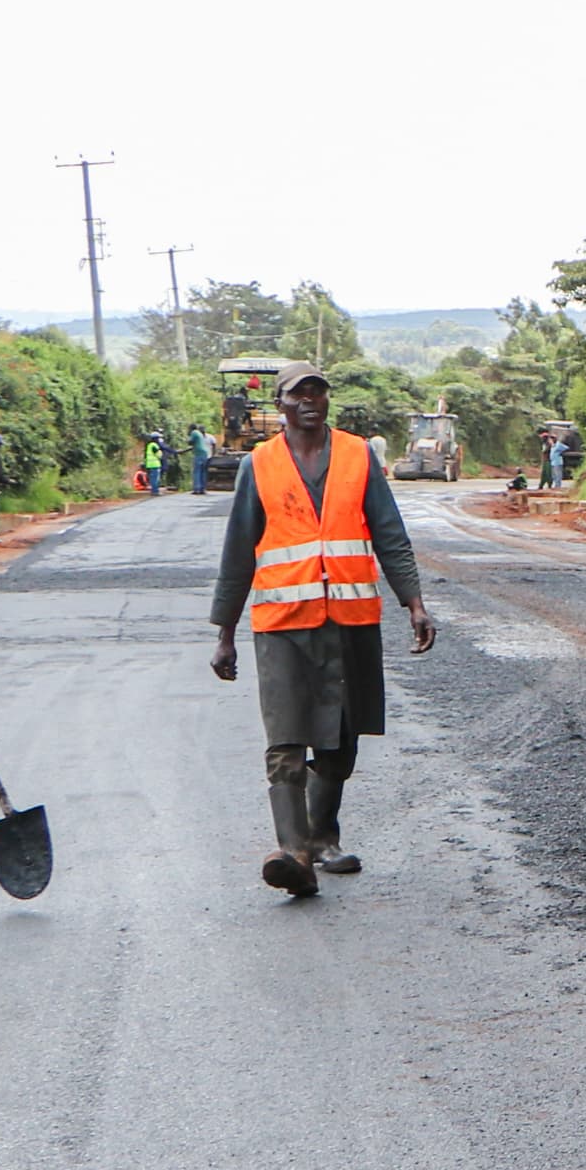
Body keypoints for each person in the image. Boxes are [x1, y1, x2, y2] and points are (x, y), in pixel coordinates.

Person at [210, 362, 433, 896]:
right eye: (297, 394)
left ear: (327, 401)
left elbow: (389, 533)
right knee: (285, 739)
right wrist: (224, 631)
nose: (309, 401)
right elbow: (238, 552)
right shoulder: (258, 466)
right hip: (284, 624)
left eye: (317, 392)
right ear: (282, 404)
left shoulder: (358, 456)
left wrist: (414, 602)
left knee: (339, 740)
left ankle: (322, 839)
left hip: (350, 619)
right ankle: (293, 852)